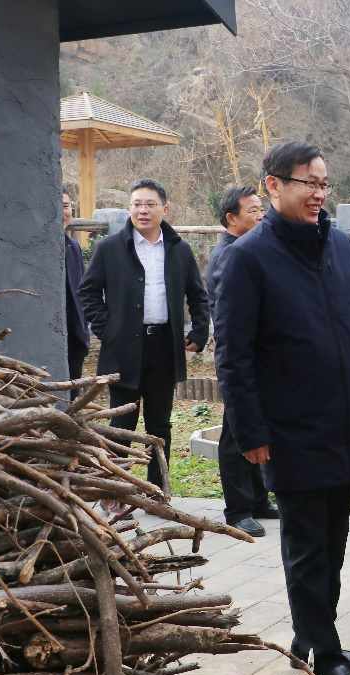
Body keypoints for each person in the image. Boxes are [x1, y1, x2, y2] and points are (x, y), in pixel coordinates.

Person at [213, 142, 350, 675]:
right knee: (307, 549)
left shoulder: (340, 245)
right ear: (273, 185)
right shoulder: (248, 257)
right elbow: (233, 356)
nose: (318, 193)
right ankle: (325, 658)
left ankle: (312, 636)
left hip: (346, 421)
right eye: (308, 182)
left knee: (333, 543)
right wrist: (251, 431)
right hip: (291, 429)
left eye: (324, 183)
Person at [79, 178, 209, 492]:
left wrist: (199, 330)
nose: (143, 210)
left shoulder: (179, 249)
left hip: (164, 346)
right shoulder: (110, 248)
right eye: (137, 204)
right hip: (122, 349)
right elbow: (88, 292)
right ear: (129, 208)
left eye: (150, 204)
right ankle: (115, 491)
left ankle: (158, 490)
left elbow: (197, 295)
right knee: (121, 422)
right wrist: (108, 330)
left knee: (159, 423)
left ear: (165, 209)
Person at [205, 185, 277, 538]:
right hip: (240, 359)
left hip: (260, 358)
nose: (261, 215)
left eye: (262, 208)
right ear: (231, 218)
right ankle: (237, 509)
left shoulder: (250, 250)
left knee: (255, 427)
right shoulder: (228, 256)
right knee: (236, 433)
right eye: (253, 210)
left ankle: (258, 499)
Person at [61, 188, 90, 395]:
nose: (62, 211)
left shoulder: (73, 246)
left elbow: (82, 291)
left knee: (72, 401)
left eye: (66, 206)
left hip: (74, 339)